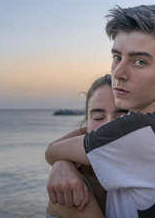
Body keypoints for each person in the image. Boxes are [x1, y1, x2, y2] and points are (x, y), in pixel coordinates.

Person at [46, 5, 155, 217]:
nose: (118, 73)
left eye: (139, 61)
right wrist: (65, 163)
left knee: (66, 203)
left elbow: (51, 151)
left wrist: (62, 162)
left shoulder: (143, 132)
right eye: (117, 57)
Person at [46, 74, 128, 218]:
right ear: (87, 124)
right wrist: (62, 162)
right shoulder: (69, 187)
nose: (107, 126)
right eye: (98, 118)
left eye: (121, 117)